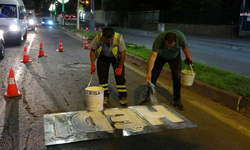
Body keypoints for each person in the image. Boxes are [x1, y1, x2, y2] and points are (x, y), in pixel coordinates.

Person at [139, 30, 193, 110]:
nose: (168, 48)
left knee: (177, 77)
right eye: (167, 46)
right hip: (161, 56)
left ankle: (177, 99)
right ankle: (149, 96)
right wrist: (148, 73)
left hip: (175, 57)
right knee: (153, 75)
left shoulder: (180, 37)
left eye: (171, 47)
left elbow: (184, 46)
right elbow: (153, 57)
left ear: (175, 42)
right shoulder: (159, 39)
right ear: (164, 40)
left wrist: (187, 56)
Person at [89, 27, 128, 105]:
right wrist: (92, 63)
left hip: (116, 57)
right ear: (103, 37)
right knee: (102, 76)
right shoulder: (98, 38)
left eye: (111, 39)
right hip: (103, 57)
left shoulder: (119, 38)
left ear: (113, 36)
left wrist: (120, 66)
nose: (109, 41)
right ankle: (104, 96)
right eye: (107, 40)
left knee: (120, 76)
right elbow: (92, 50)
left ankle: (123, 97)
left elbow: (123, 53)